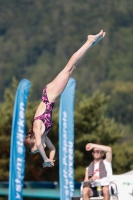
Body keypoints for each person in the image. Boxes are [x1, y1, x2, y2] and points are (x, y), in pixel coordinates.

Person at [24, 30, 106, 168]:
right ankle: (90, 43)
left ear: (33, 141)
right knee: (71, 68)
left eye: (36, 150)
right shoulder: (44, 136)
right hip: (52, 96)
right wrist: (50, 160)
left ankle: (89, 41)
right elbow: (53, 149)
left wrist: (44, 159)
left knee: (68, 67)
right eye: (38, 151)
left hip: (49, 95)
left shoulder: (37, 127)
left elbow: (39, 144)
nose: (39, 149)